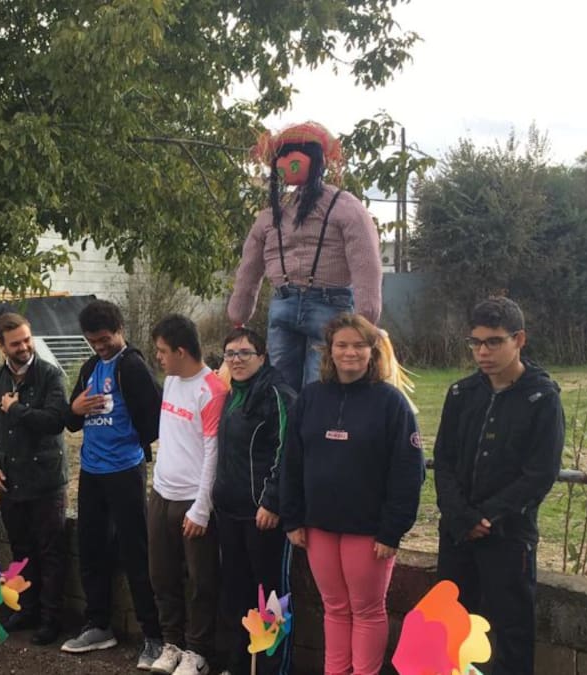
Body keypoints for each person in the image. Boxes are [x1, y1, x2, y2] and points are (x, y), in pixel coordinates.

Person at [280, 313, 425, 675]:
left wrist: (392, 530)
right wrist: (293, 518)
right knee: (334, 608)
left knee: (367, 610)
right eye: (342, 345)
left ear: (372, 351)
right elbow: (291, 461)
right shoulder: (310, 398)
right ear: (329, 350)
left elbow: (408, 472)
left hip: (369, 531)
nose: (350, 352)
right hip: (319, 526)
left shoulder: (391, 403)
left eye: (359, 345)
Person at [434, 297, 564, 675]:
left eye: (493, 342)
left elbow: (540, 473)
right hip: (457, 532)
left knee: (511, 632)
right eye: (475, 343)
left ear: (518, 339)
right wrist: (461, 515)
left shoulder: (542, 398)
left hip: (509, 536)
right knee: (451, 628)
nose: (483, 352)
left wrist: (488, 517)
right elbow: (443, 460)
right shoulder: (460, 394)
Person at [227, 121, 383, 393]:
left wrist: (366, 317)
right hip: (293, 303)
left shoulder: (342, 207)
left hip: (324, 306)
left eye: (294, 157)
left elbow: (366, 264)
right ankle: (287, 423)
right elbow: (249, 265)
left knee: (317, 386)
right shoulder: (277, 213)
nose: (287, 164)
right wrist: (239, 312)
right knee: (285, 387)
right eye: (282, 158)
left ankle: (309, 422)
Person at [61, 299, 164, 670]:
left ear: (120, 330)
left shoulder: (132, 366)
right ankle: (98, 624)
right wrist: (75, 409)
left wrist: (129, 442)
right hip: (91, 471)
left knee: (135, 551)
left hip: (124, 470)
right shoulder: (91, 367)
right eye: (93, 341)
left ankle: (153, 635)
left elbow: (155, 420)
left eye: (105, 339)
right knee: (90, 548)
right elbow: (71, 419)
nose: (100, 347)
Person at [0, 313, 69, 645]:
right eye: (15, 343)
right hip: (11, 482)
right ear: (2, 346)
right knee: (21, 550)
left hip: (46, 482)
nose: (24, 347)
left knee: (51, 552)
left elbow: (55, 421)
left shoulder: (50, 375)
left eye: (27, 339)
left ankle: (51, 618)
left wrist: (16, 410)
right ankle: (27, 608)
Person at [145, 314, 227, 675]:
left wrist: (202, 507)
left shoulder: (211, 389)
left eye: (162, 351)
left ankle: (198, 651)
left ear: (181, 351)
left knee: (200, 581)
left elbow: (213, 452)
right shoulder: (171, 381)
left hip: (193, 501)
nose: (158, 357)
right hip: (161, 493)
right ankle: (172, 643)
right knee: (161, 575)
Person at [212, 327, 296, 675]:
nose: (237, 360)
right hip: (229, 512)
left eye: (245, 353)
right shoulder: (231, 393)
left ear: (262, 356)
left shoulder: (278, 394)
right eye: (230, 354)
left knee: (270, 598)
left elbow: (287, 452)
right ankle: (240, 663)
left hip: (261, 515)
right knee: (237, 593)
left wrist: (272, 501)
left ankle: (270, 667)